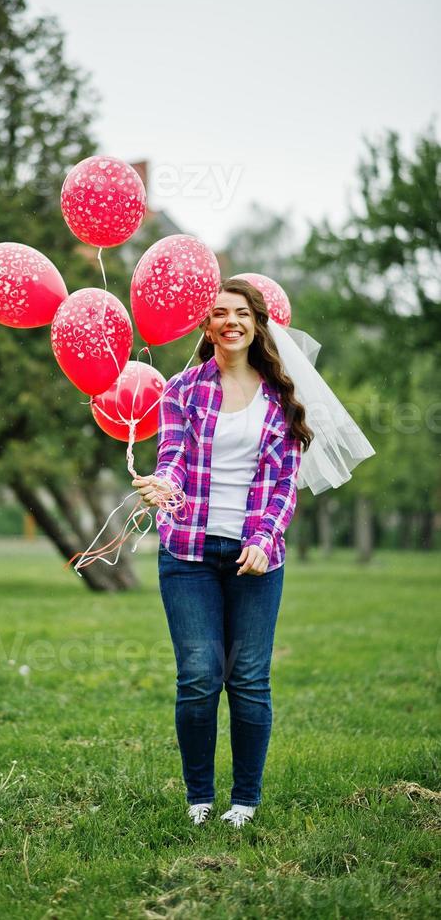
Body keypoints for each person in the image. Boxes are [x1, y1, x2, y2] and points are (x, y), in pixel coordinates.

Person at [132, 277, 314, 830]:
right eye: (218, 313)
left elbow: (284, 483)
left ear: (256, 324)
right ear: (205, 326)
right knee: (198, 675)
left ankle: (245, 802)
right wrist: (163, 485)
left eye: (240, 313)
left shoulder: (280, 396)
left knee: (249, 678)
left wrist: (263, 540)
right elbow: (174, 457)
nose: (229, 322)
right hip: (187, 552)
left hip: (256, 557)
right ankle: (199, 800)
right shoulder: (183, 388)